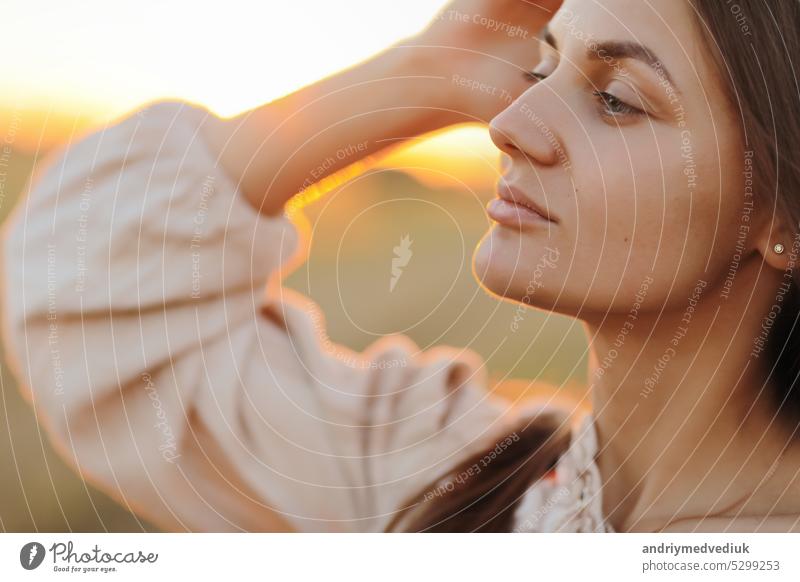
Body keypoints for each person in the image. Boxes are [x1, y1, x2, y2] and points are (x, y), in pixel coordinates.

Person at [3, 0, 800, 533]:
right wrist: (421, 71)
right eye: (543, 68)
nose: (510, 124)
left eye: (618, 99)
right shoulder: (451, 479)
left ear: (783, 217)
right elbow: (80, 284)